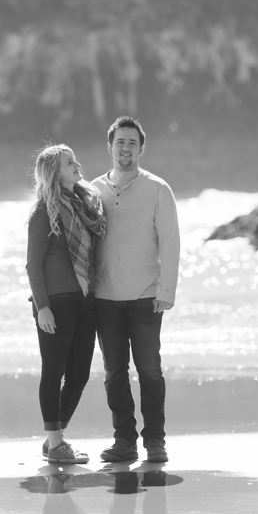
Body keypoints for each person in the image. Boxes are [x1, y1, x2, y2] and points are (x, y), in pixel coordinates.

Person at [87, 116, 179, 464]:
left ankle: (155, 440)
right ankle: (124, 439)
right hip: (105, 297)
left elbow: (170, 242)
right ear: (110, 146)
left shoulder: (158, 189)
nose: (125, 148)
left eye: (132, 143)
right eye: (119, 142)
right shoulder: (94, 189)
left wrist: (166, 291)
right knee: (113, 372)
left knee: (149, 369)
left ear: (141, 149)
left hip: (145, 296)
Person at [25, 144, 103, 464]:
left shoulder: (86, 204)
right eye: (70, 163)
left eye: (74, 160)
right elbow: (33, 264)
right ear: (55, 173)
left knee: (80, 374)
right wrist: (42, 306)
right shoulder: (43, 212)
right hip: (55, 303)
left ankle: (54, 439)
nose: (77, 165)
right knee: (54, 371)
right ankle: (57, 445)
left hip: (85, 299)